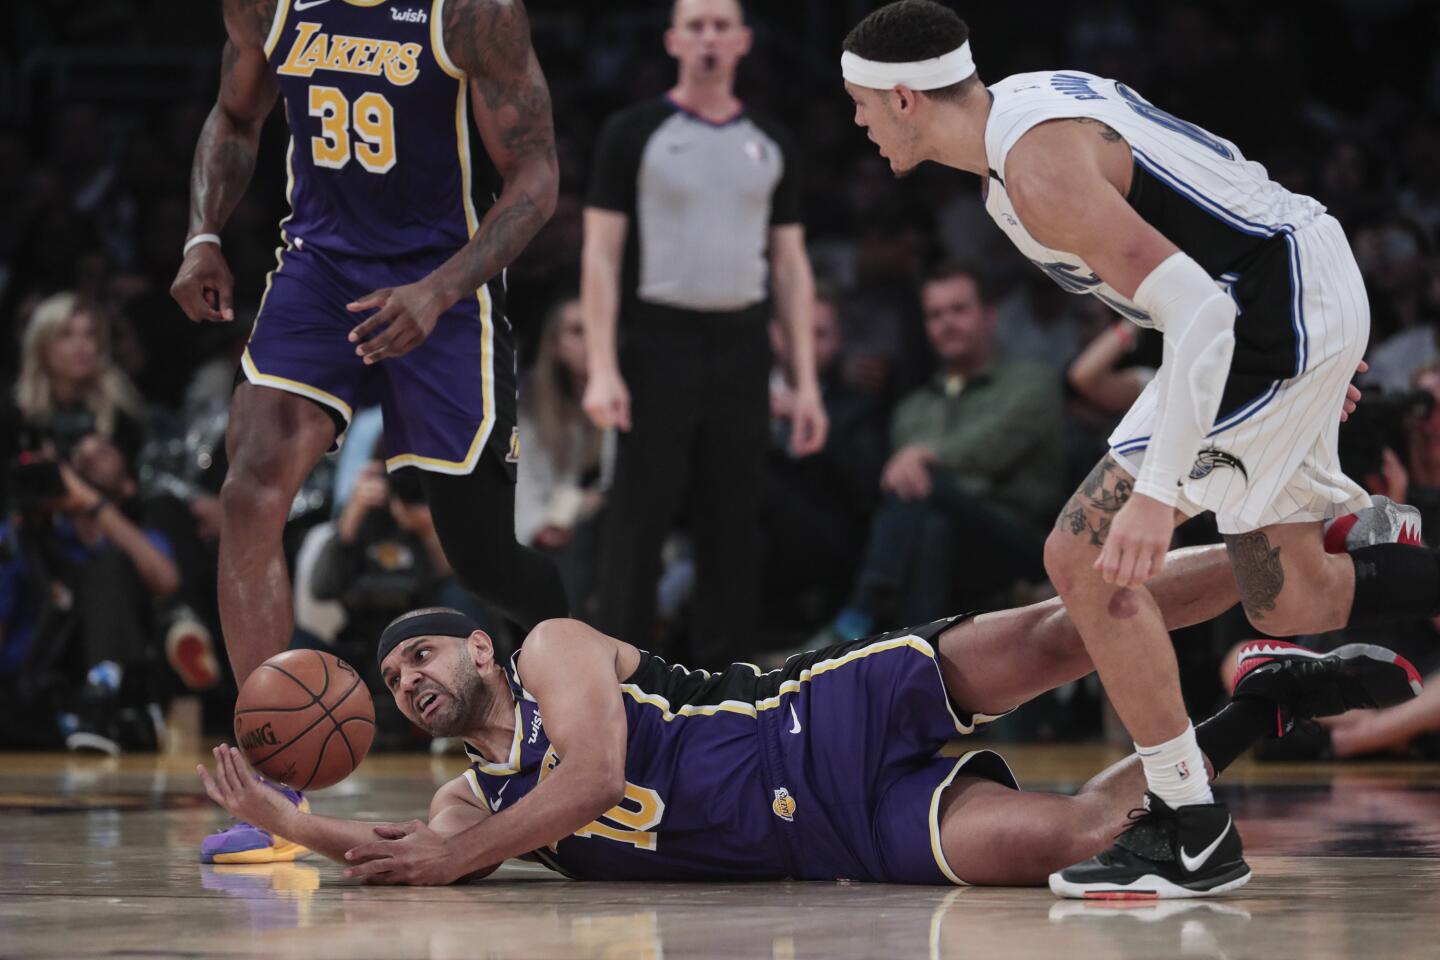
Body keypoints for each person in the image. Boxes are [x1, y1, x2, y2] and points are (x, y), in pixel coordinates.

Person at [839, 0, 1434, 897]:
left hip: (1261, 316)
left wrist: (1160, 490)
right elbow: (1204, 221)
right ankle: (1375, 543)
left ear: (906, 100)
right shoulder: (1019, 124)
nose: (855, 121)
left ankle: (1191, 828)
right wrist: (1321, 342)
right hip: (1283, 301)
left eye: (862, 102)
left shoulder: (1033, 166)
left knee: (1082, 558)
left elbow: (1198, 307)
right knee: (1288, 597)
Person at [196, 542, 1421, 893]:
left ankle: (1297, 555)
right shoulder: (471, 798)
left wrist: (454, 856)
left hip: (811, 711)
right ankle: (1261, 703)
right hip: (836, 839)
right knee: (1074, 840)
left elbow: (592, 775)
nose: (408, 675)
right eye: (393, 676)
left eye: (421, 650)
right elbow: (407, 856)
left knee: (1057, 632)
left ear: (475, 644)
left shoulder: (551, 653)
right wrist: (293, 824)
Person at [171, 0, 568, 863]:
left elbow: (536, 180)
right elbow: (236, 114)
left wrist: (439, 290)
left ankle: (589, 697)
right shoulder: (268, 4)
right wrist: (204, 234)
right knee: (249, 492)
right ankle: (277, 779)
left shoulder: (472, 13)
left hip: (445, 277)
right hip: (319, 266)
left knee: (480, 558)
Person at [580, 0, 828, 667]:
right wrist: (602, 367)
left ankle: (726, 689)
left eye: (722, 25)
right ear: (673, 40)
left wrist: (804, 383)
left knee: (734, 526)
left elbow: (791, 266)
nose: (709, 37)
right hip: (657, 341)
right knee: (637, 522)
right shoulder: (634, 133)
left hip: (744, 345)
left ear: (744, 41)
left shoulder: (771, 141)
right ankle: (624, 686)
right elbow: (600, 255)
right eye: (696, 25)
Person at [816, 261, 1063, 641]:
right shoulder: (911, 407)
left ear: (990, 316)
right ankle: (918, 657)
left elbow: (991, 446)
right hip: (938, 537)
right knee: (932, 527)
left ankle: (860, 616)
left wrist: (924, 457)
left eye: (959, 310)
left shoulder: (1034, 383)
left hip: (1014, 538)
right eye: (935, 314)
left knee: (925, 488)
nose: (946, 323)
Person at [516, 295, 605, 608]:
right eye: (578, 331)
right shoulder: (529, 408)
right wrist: (544, 524)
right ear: (554, 345)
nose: (591, 341)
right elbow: (524, 488)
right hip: (548, 535)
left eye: (598, 328)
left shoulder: (618, 405)